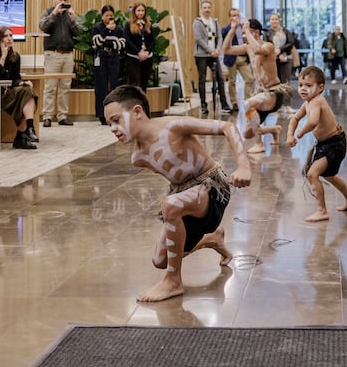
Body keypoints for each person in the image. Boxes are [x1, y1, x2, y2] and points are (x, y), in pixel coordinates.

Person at [102, 84, 251, 302]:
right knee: (160, 259)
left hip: (212, 188)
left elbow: (227, 127)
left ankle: (173, 280)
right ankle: (211, 239)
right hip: (187, 199)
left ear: (137, 111)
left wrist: (244, 166)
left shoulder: (173, 126)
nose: (113, 128)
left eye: (116, 120)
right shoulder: (138, 158)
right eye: (109, 124)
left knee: (170, 205)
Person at [286, 66, 347, 222]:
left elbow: (312, 122)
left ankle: (322, 210)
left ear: (320, 88)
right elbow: (295, 118)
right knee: (330, 176)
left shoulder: (318, 101)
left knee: (312, 174)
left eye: (308, 86)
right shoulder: (307, 104)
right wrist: (289, 134)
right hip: (326, 144)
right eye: (300, 85)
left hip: (334, 144)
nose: (303, 89)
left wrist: (300, 133)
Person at [222, 16, 293, 154]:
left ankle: (259, 144)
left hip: (273, 94)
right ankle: (274, 130)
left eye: (245, 33)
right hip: (262, 94)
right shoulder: (248, 47)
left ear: (255, 32)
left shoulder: (268, 46)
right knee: (247, 134)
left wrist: (247, 31)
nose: (243, 36)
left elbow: (258, 50)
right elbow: (226, 50)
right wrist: (232, 30)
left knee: (248, 104)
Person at [0, 27, 39, 150]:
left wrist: (23, 83)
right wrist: (3, 57)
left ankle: (29, 128)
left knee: (29, 93)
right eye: (6, 36)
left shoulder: (15, 56)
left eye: (11, 36)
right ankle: (20, 136)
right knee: (26, 97)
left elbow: (15, 79)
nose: (9, 39)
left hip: (9, 93)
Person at [38, 0, 79, 127]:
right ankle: (47, 116)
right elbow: (43, 26)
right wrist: (54, 14)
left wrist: (73, 20)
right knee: (50, 86)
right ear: (55, 0)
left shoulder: (70, 14)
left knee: (65, 87)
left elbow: (77, 33)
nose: (62, 2)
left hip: (67, 54)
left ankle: (62, 116)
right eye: (60, 0)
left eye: (65, 0)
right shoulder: (48, 12)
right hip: (52, 54)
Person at [192, 0, 230, 116]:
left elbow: (219, 37)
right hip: (202, 55)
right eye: (205, 7)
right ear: (201, 9)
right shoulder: (197, 22)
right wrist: (210, 51)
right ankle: (203, 105)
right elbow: (199, 39)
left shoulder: (215, 22)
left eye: (209, 7)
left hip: (214, 54)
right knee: (202, 79)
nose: (207, 9)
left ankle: (224, 104)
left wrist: (217, 50)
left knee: (220, 77)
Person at [91, 5, 126, 125]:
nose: (109, 18)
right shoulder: (97, 28)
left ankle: (114, 114)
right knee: (101, 86)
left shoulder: (119, 29)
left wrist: (108, 43)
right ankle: (101, 114)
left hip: (113, 58)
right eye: (107, 16)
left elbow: (121, 45)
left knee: (114, 86)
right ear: (102, 16)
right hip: (101, 58)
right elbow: (97, 43)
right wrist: (106, 31)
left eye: (111, 16)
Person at [220, 7, 255, 112]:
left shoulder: (245, 27)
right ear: (230, 17)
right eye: (233, 15)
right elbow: (225, 44)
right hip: (231, 57)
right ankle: (234, 102)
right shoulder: (226, 29)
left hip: (243, 57)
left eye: (237, 15)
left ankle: (248, 101)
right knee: (232, 81)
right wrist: (232, 28)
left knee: (249, 78)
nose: (236, 17)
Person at [123, 2, 155, 91]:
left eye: (142, 11)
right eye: (138, 10)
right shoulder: (128, 24)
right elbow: (128, 40)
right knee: (135, 82)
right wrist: (138, 52)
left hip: (147, 57)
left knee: (144, 82)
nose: (140, 13)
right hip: (133, 57)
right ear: (134, 12)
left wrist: (147, 51)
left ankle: (143, 103)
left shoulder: (148, 24)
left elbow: (153, 40)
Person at [264, 12, 295, 85]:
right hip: (273, 59)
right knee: (275, 81)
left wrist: (280, 50)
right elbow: (266, 45)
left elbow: (291, 43)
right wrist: (277, 54)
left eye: (276, 19)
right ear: (269, 21)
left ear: (279, 20)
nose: (274, 21)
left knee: (286, 81)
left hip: (286, 58)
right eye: (272, 19)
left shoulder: (286, 31)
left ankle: (286, 96)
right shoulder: (267, 33)